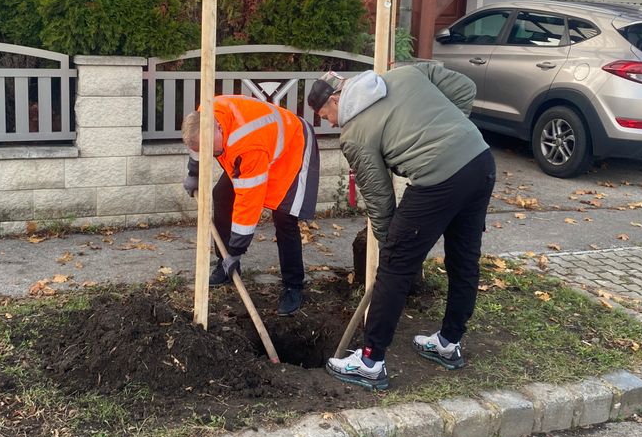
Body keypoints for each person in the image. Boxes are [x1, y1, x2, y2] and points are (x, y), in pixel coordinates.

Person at [307, 63, 495, 389]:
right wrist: (450, 133)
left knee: (394, 269)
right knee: (464, 259)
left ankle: (370, 361)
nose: (328, 122)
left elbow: (379, 197)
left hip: (438, 180)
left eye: (325, 115)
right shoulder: (404, 74)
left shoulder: (355, 134)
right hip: (479, 160)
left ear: (336, 99)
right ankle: (449, 343)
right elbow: (465, 88)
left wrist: (389, 244)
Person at [181, 95, 319, 315]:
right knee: (221, 195)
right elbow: (198, 145)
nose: (211, 155)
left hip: (293, 147)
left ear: (218, 128)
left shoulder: (247, 145)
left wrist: (236, 250)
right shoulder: (205, 114)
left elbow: (248, 202)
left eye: (211, 149)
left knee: (284, 217)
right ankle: (224, 264)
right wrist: (194, 172)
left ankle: (293, 285)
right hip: (263, 145)